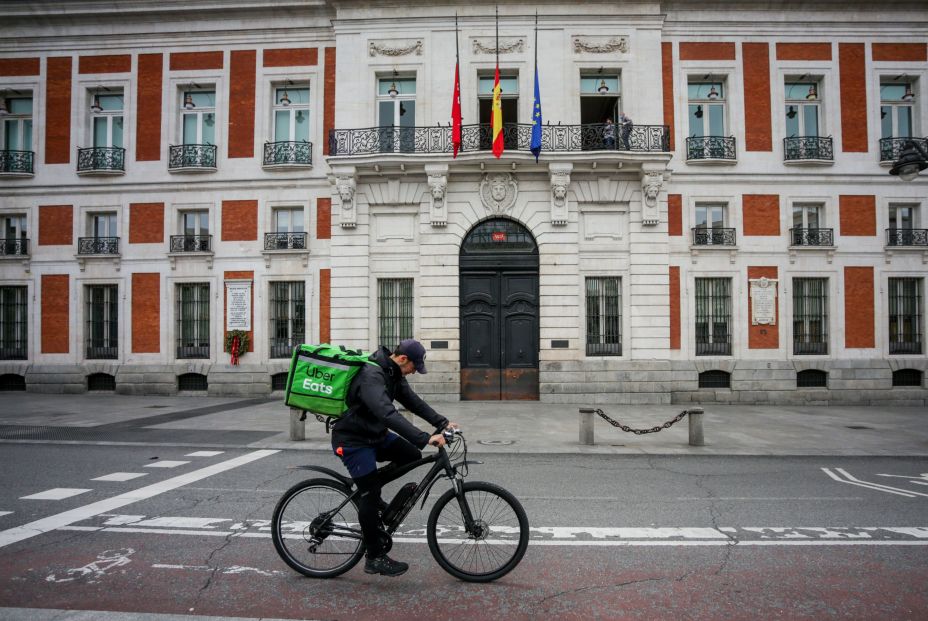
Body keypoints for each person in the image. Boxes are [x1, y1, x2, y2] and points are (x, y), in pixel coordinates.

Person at [331, 338, 457, 577]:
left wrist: (441, 423)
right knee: (370, 495)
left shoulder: (393, 374)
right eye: (413, 367)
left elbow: (413, 402)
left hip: (374, 435)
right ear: (402, 359)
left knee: (411, 455)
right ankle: (374, 557)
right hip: (353, 441)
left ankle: (369, 486)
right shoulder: (372, 376)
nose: (413, 372)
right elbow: (387, 413)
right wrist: (425, 437)